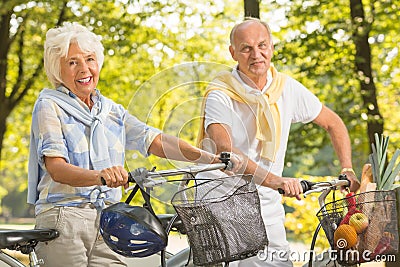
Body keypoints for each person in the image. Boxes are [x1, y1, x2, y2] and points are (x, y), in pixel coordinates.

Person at [27, 22, 240, 266]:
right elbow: (56, 168)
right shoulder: (49, 105)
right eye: (73, 62)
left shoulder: (111, 111)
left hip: (109, 217)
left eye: (90, 59)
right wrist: (101, 176)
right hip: (65, 216)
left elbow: (155, 140)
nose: (84, 69)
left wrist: (208, 158)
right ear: (57, 70)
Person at [197, 17, 360, 266]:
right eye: (246, 48)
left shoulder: (286, 88)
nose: (256, 54)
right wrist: (276, 180)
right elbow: (226, 151)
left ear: (272, 47)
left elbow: (333, 123)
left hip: (268, 202)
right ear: (233, 53)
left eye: (262, 45)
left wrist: (346, 167)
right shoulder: (221, 94)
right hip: (223, 202)